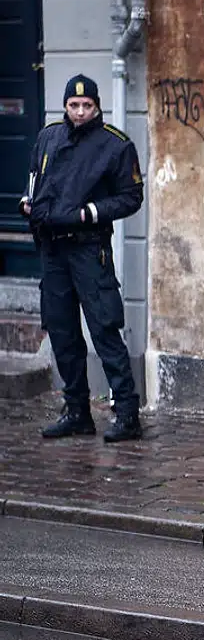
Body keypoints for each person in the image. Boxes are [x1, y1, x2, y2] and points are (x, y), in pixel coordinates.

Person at [20, 75, 144, 441]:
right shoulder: (49, 136)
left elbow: (131, 197)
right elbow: (34, 178)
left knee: (104, 329)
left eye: (86, 105)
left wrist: (90, 212)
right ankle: (76, 411)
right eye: (73, 105)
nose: (79, 112)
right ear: (65, 106)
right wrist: (28, 202)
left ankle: (127, 414)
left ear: (96, 106)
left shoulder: (115, 145)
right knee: (62, 332)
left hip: (90, 250)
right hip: (53, 251)